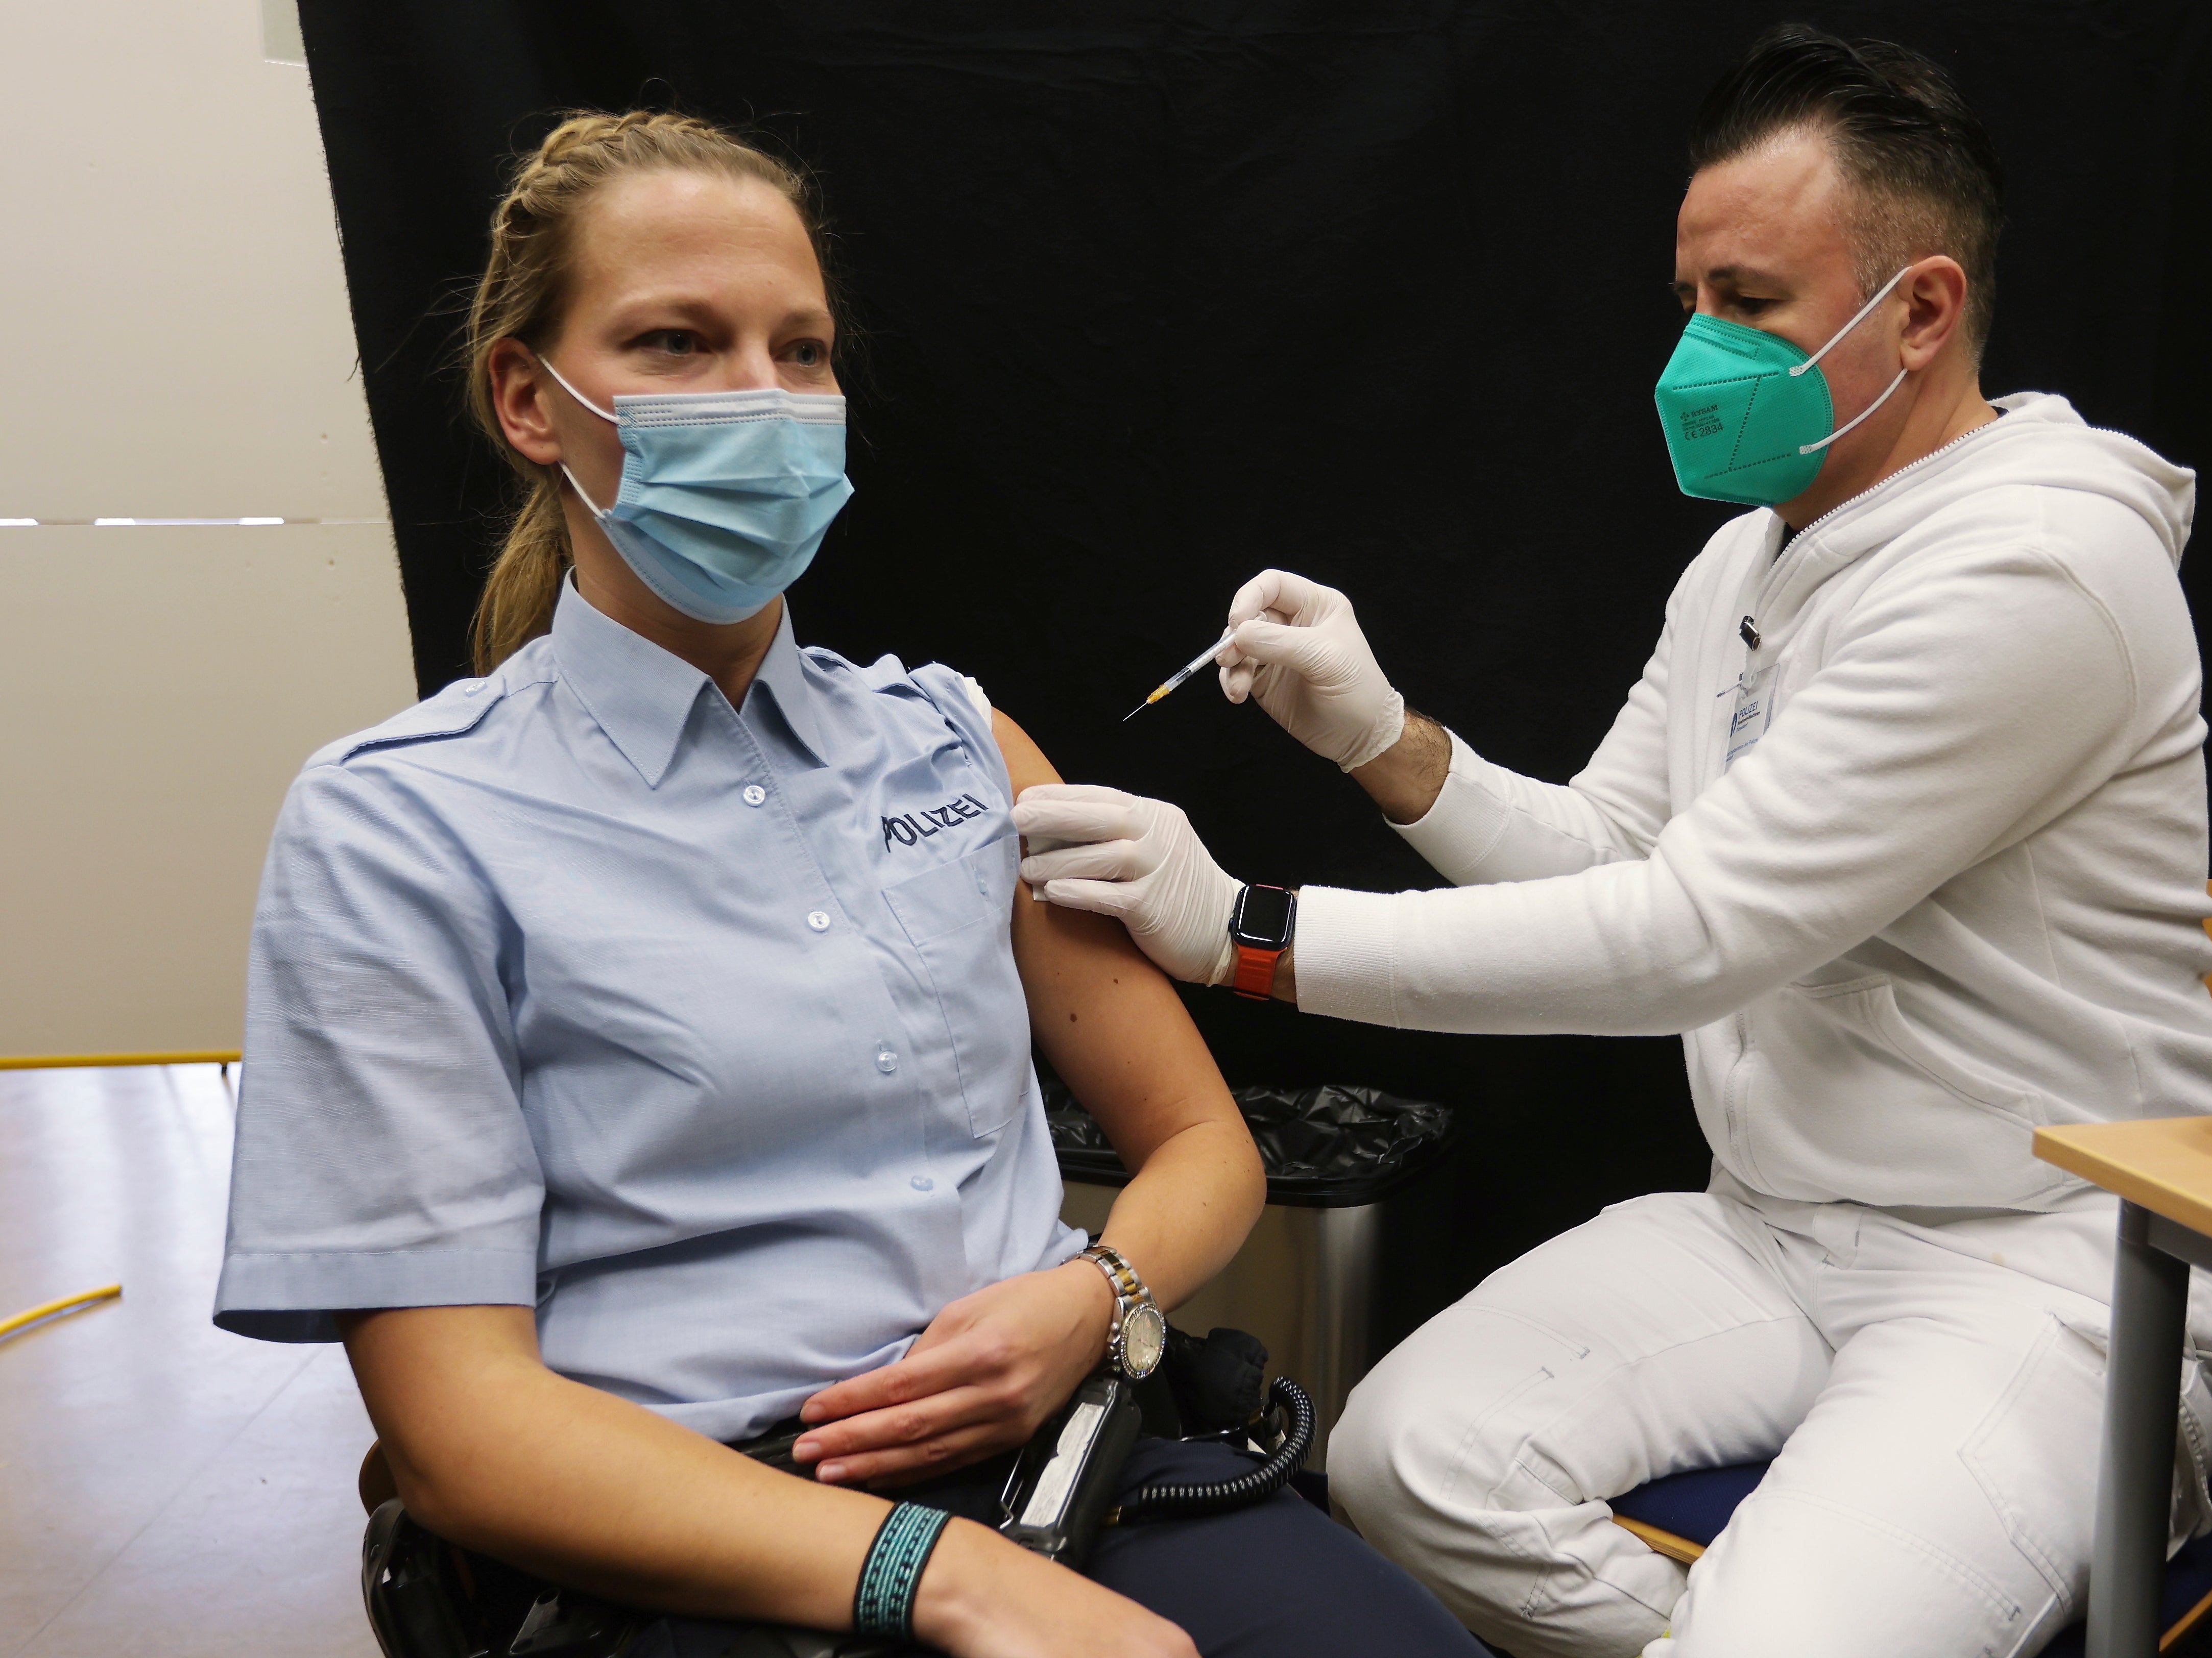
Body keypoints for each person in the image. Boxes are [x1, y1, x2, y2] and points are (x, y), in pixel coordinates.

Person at [1012, 27, 2212, 1658]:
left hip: (2039, 1267)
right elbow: (1612, 853)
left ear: (1922, 310)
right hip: (1772, 1221)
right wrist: (1384, 742)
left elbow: (1690, 937)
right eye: (1689, 300)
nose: (1696, 349)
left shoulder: (2036, 570)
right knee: (1408, 1469)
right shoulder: (1755, 561)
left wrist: (1246, 931)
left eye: (1750, 301)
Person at [212, 111, 1478, 1658]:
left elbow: (1202, 1143)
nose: (762, 397)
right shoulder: (399, 829)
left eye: (800, 351)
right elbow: (458, 1436)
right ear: (527, 400)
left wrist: (1096, 1296)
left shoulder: (958, 744)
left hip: (1079, 1456)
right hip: (690, 1524)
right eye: (679, 342)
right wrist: (955, 1583)